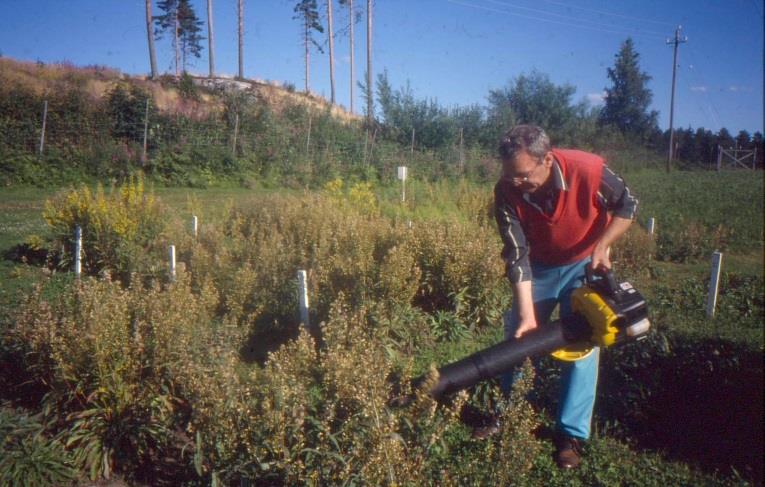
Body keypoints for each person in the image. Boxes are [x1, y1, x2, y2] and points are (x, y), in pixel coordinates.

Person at [482, 125, 638, 469]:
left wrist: (602, 245)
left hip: (583, 264)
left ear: (547, 160)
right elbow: (516, 254)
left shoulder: (589, 170)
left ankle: (570, 435)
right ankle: (507, 414)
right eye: (509, 176)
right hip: (537, 267)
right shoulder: (506, 190)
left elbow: (628, 204)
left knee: (583, 343)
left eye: (522, 175)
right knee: (519, 339)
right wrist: (526, 315)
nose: (515, 182)